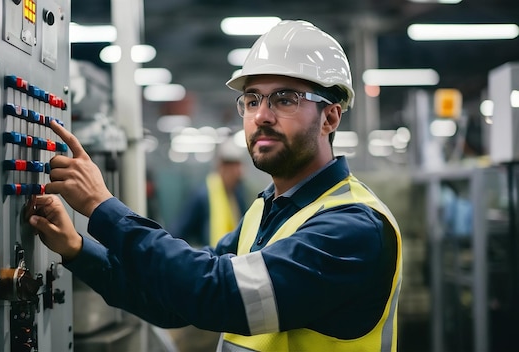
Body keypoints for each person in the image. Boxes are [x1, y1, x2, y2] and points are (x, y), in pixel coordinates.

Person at [30, 19, 403, 352]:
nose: (262, 115)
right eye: (252, 99)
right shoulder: (266, 211)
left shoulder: (353, 227)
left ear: (330, 118)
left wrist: (102, 207)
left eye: (285, 99)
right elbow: (171, 299)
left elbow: (218, 294)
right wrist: (78, 250)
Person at [171, 137, 249, 248]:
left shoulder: (237, 195)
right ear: (221, 167)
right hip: (210, 260)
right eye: (233, 166)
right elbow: (177, 232)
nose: (238, 172)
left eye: (239, 166)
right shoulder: (201, 195)